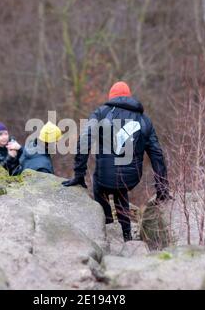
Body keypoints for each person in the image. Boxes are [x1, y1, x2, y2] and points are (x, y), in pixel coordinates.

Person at [62, 81, 169, 241]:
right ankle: (126, 234)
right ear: (129, 96)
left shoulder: (100, 113)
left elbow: (84, 141)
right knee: (121, 189)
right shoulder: (144, 119)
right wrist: (162, 189)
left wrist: (79, 174)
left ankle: (108, 223)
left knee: (99, 183)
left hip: (105, 178)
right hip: (132, 178)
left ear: (111, 97)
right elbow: (157, 154)